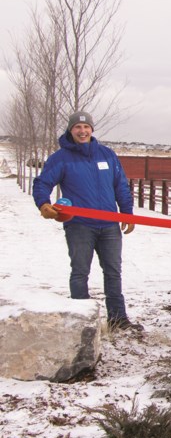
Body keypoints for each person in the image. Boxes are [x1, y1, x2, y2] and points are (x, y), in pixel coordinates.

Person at [33, 111, 143, 332]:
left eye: (86, 127)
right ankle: (81, 322)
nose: (82, 131)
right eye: (77, 128)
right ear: (71, 130)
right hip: (80, 225)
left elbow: (120, 185)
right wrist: (44, 204)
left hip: (109, 224)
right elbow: (42, 183)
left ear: (92, 130)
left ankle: (118, 319)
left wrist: (127, 212)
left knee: (113, 271)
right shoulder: (60, 158)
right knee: (80, 272)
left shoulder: (107, 155)